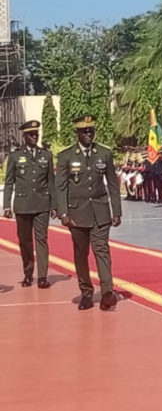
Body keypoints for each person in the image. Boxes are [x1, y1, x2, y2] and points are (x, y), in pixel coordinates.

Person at [55, 115, 121, 311]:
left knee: (102, 250)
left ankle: (107, 292)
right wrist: (63, 213)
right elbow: (61, 187)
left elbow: (112, 184)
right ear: (77, 133)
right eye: (84, 131)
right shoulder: (67, 156)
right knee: (81, 254)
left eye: (91, 130)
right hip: (77, 215)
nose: (88, 134)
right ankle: (86, 291)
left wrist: (116, 211)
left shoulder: (104, 153)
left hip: (100, 211)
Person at [3, 120, 57, 288]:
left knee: (42, 240)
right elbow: (9, 182)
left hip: (42, 204)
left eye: (36, 134)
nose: (35, 137)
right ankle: (28, 273)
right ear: (24, 136)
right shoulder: (15, 156)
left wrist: (54, 205)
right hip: (23, 205)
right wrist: (6, 206)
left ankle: (42, 276)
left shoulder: (46, 155)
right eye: (31, 134)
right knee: (25, 242)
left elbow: (51, 182)